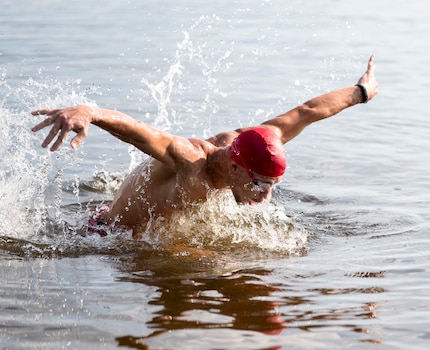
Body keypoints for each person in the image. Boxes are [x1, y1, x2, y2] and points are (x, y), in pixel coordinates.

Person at [31, 55, 378, 237]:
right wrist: (90, 113)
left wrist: (361, 92)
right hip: (108, 233)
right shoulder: (191, 160)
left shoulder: (256, 142)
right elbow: (141, 133)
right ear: (234, 167)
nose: (265, 196)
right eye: (259, 184)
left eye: (273, 186)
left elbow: (307, 112)